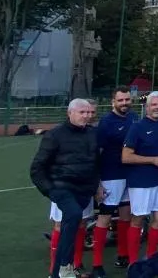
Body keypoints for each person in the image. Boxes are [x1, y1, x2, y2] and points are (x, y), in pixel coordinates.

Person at [31, 99, 103, 278]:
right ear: (70, 113)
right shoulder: (55, 135)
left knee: (73, 225)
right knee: (72, 215)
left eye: (89, 112)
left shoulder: (93, 134)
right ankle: (65, 266)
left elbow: (95, 163)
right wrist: (50, 190)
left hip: (84, 190)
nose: (87, 116)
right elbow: (37, 168)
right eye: (82, 112)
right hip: (62, 187)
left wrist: (96, 186)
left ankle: (59, 272)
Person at [121, 91, 158, 262]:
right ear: (147, 107)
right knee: (138, 219)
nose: (157, 107)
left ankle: (149, 258)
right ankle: (133, 262)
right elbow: (126, 157)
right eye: (154, 104)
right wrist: (153, 160)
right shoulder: (137, 127)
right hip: (141, 182)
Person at [91, 87, 135, 276]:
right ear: (113, 102)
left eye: (127, 100)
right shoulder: (106, 122)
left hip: (131, 174)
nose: (124, 103)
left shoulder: (134, 118)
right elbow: (97, 153)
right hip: (111, 175)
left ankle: (123, 255)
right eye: (120, 100)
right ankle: (97, 264)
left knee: (126, 215)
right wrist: (98, 181)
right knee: (105, 217)